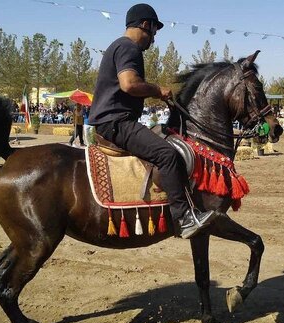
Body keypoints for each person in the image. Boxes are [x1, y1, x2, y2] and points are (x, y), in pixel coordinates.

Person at [88, 3, 218, 239]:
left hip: (111, 121)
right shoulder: (129, 48)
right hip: (117, 123)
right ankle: (184, 217)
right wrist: (158, 90)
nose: (154, 39)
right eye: (154, 32)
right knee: (167, 154)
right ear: (145, 25)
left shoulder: (117, 46)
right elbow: (129, 84)